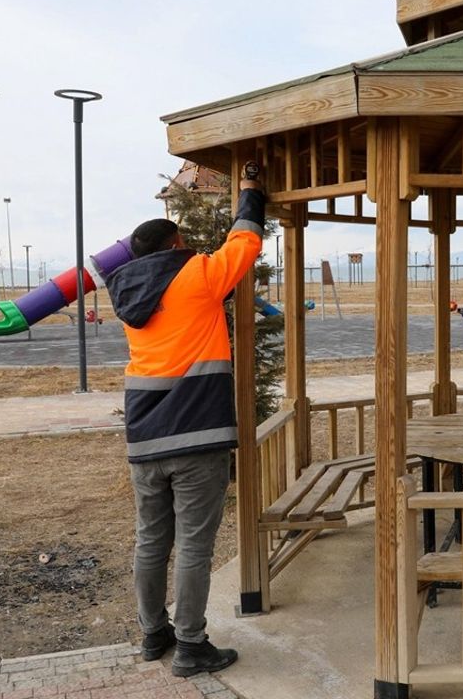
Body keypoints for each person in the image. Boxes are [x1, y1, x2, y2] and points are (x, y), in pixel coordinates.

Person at [105, 165, 266, 678]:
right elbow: (245, 242)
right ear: (176, 244)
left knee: (151, 540)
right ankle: (192, 646)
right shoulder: (196, 275)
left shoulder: (127, 294)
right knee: (195, 545)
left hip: (144, 440)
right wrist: (250, 192)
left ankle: (154, 633)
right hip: (197, 438)